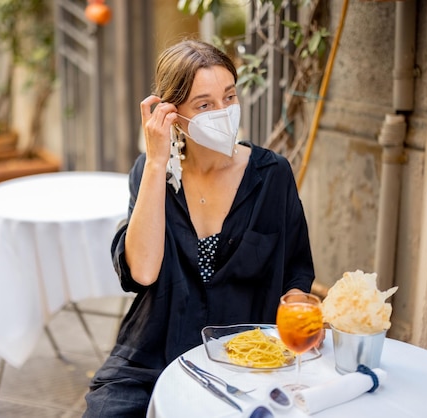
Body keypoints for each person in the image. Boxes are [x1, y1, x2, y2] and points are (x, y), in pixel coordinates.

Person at [83, 39, 315, 418]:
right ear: (173, 114)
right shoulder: (150, 173)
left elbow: (297, 271)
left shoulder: (272, 174)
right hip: (153, 355)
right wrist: (157, 164)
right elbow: (141, 271)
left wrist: (296, 313)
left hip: (245, 360)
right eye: (205, 105)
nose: (223, 112)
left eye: (229, 96)